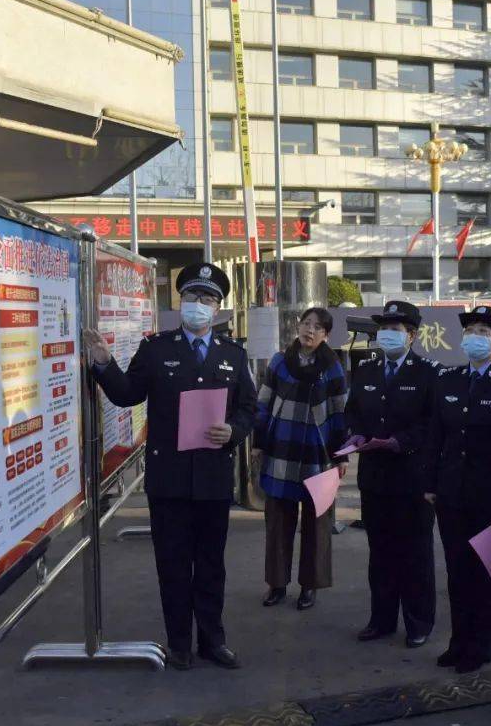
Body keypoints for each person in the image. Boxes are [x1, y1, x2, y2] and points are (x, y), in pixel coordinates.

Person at [81, 263, 256, 671]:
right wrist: (105, 364)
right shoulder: (156, 349)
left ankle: (213, 640)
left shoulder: (233, 354)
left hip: (213, 477)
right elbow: (127, 395)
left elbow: (249, 409)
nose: (199, 305)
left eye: (208, 299)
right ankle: (180, 643)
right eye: (192, 297)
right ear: (181, 303)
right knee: (174, 565)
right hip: (170, 479)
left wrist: (233, 431)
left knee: (212, 565)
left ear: (218, 308)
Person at [425, 305, 491, 673]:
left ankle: (481, 645)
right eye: (471, 329)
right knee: (457, 572)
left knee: (488, 573)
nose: (474, 337)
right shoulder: (447, 379)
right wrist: (430, 484)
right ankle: (459, 642)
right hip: (452, 492)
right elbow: (434, 436)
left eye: (484, 332)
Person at [343, 300, 440, 648]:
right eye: (383, 328)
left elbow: (432, 424)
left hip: (413, 477)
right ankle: (381, 619)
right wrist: (353, 434)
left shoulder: (429, 373)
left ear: (412, 336)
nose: (387, 334)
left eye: (395, 329)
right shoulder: (366, 370)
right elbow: (352, 412)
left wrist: (400, 442)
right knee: (380, 552)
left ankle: (418, 622)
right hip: (374, 476)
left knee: (414, 553)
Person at [254, 306, 349, 611]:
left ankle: (310, 586)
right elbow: (264, 402)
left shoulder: (332, 366)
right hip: (281, 449)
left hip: (316, 455)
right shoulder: (280, 361)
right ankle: (276, 584)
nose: (309, 330)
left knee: (317, 524)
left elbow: (339, 412)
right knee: (278, 522)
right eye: (306, 323)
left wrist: (341, 454)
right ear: (298, 326)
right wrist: (259, 442)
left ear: (326, 335)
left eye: (317, 327)